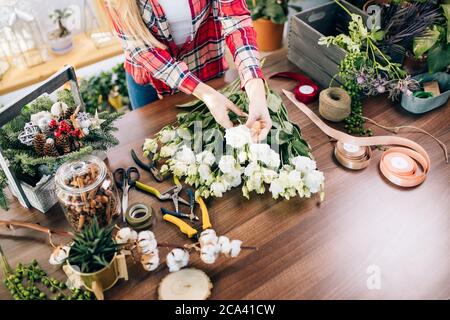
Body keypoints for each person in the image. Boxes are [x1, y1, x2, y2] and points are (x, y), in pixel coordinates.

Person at [99, 0, 271, 141]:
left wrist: (255, 88)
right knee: (155, 143)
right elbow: (143, 50)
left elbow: (236, 23)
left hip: (206, 67)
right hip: (150, 78)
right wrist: (206, 94)